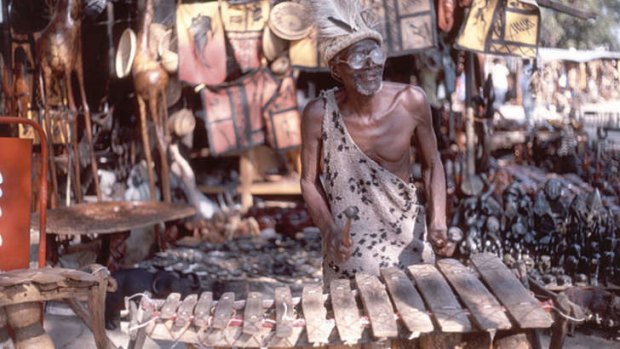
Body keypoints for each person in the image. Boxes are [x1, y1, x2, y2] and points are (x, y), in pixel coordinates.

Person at [301, 0, 454, 287]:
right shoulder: (318, 114)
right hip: (349, 252)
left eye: (375, 54)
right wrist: (329, 230)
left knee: (419, 321)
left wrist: (438, 222)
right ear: (337, 69)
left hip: (408, 243)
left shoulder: (411, 101)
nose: (371, 64)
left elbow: (433, 164)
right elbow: (309, 181)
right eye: (359, 58)